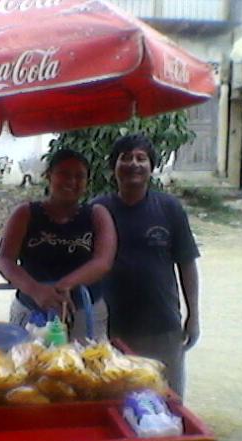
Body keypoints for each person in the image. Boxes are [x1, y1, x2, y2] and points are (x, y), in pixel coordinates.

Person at [92, 134, 200, 397]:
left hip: (162, 325)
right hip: (111, 329)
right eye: (126, 158)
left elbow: (187, 263)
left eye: (141, 158)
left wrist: (193, 316)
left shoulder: (169, 208)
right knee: (116, 401)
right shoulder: (97, 210)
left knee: (166, 400)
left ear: (152, 167)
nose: (134, 164)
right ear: (114, 167)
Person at [0, 148, 116, 340]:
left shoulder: (97, 215)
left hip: (85, 312)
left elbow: (103, 262)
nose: (71, 181)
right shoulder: (25, 214)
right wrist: (36, 291)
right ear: (48, 176)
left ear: (87, 182)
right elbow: (4, 260)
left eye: (79, 176)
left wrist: (64, 285)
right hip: (31, 312)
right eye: (64, 174)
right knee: (29, 358)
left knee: (85, 359)